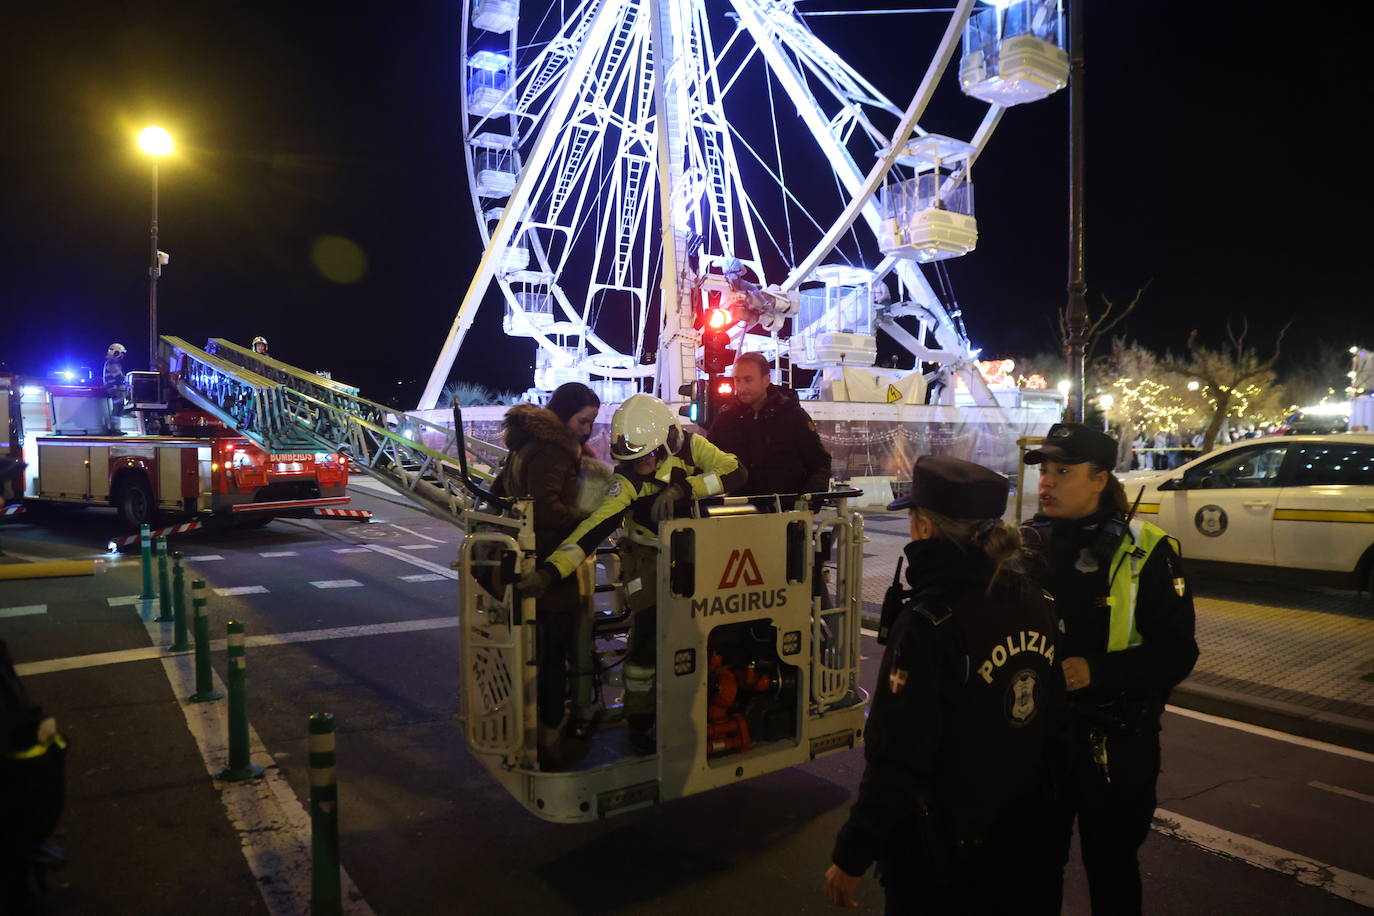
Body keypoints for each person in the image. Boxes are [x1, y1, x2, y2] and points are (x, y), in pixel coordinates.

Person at [825, 456, 1064, 913]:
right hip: (1017, 837)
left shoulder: (931, 621)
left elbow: (898, 754)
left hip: (939, 849)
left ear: (924, 528)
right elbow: (1051, 722)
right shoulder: (1036, 599)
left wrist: (852, 853)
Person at [1021, 423, 1198, 915]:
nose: (1047, 482)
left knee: (1112, 869)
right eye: (1044, 471)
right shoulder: (1028, 544)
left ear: (1099, 477)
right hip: (1039, 739)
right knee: (1034, 868)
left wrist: (1096, 672)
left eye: (1063, 471)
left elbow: (1178, 653)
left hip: (1116, 744)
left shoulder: (1148, 549)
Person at [518, 393, 746, 754]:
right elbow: (590, 532)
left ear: (664, 442)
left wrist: (685, 488)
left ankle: (701, 704)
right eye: (631, 460)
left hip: (695, 551)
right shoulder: (624, 484)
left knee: (704, 631)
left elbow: (736, 472)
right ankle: (640, 721)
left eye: (646, 457)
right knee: (648, 635)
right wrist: (549, 572)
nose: (639, 466)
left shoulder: (690, 446)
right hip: (646, 557)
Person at [491, 382, 604, 769]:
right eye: (583, 421)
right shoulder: (554, 449)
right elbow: (546, 508)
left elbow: (501, 493)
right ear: (564, 414)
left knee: (529, 653)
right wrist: (588, 517)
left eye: (591, 423)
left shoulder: (526, 442)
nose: (587, 430)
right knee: (555, 657)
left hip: (521, 562)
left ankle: (523, 729)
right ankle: (551, 739)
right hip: (550, 567)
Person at [706, 351, 831, 499]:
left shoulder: (792, 417)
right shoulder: (726, 419)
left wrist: (811, 499)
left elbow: (819, 462)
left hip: (786, 513)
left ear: (766, 380)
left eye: (748, 380)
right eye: (737, 380)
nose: (741, 387)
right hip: (737, 511)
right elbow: (706, 462)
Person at [102, 343, 127, 433]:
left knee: (119, 407)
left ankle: (116, 428)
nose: (122, 356)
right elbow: (118, 376)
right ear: (116, 353)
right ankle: (115, 429)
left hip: (116, 388)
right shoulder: (111, 363)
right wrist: (126, 380)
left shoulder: (112, 362)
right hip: (115, 389)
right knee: (118, 407)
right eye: (121, 353)